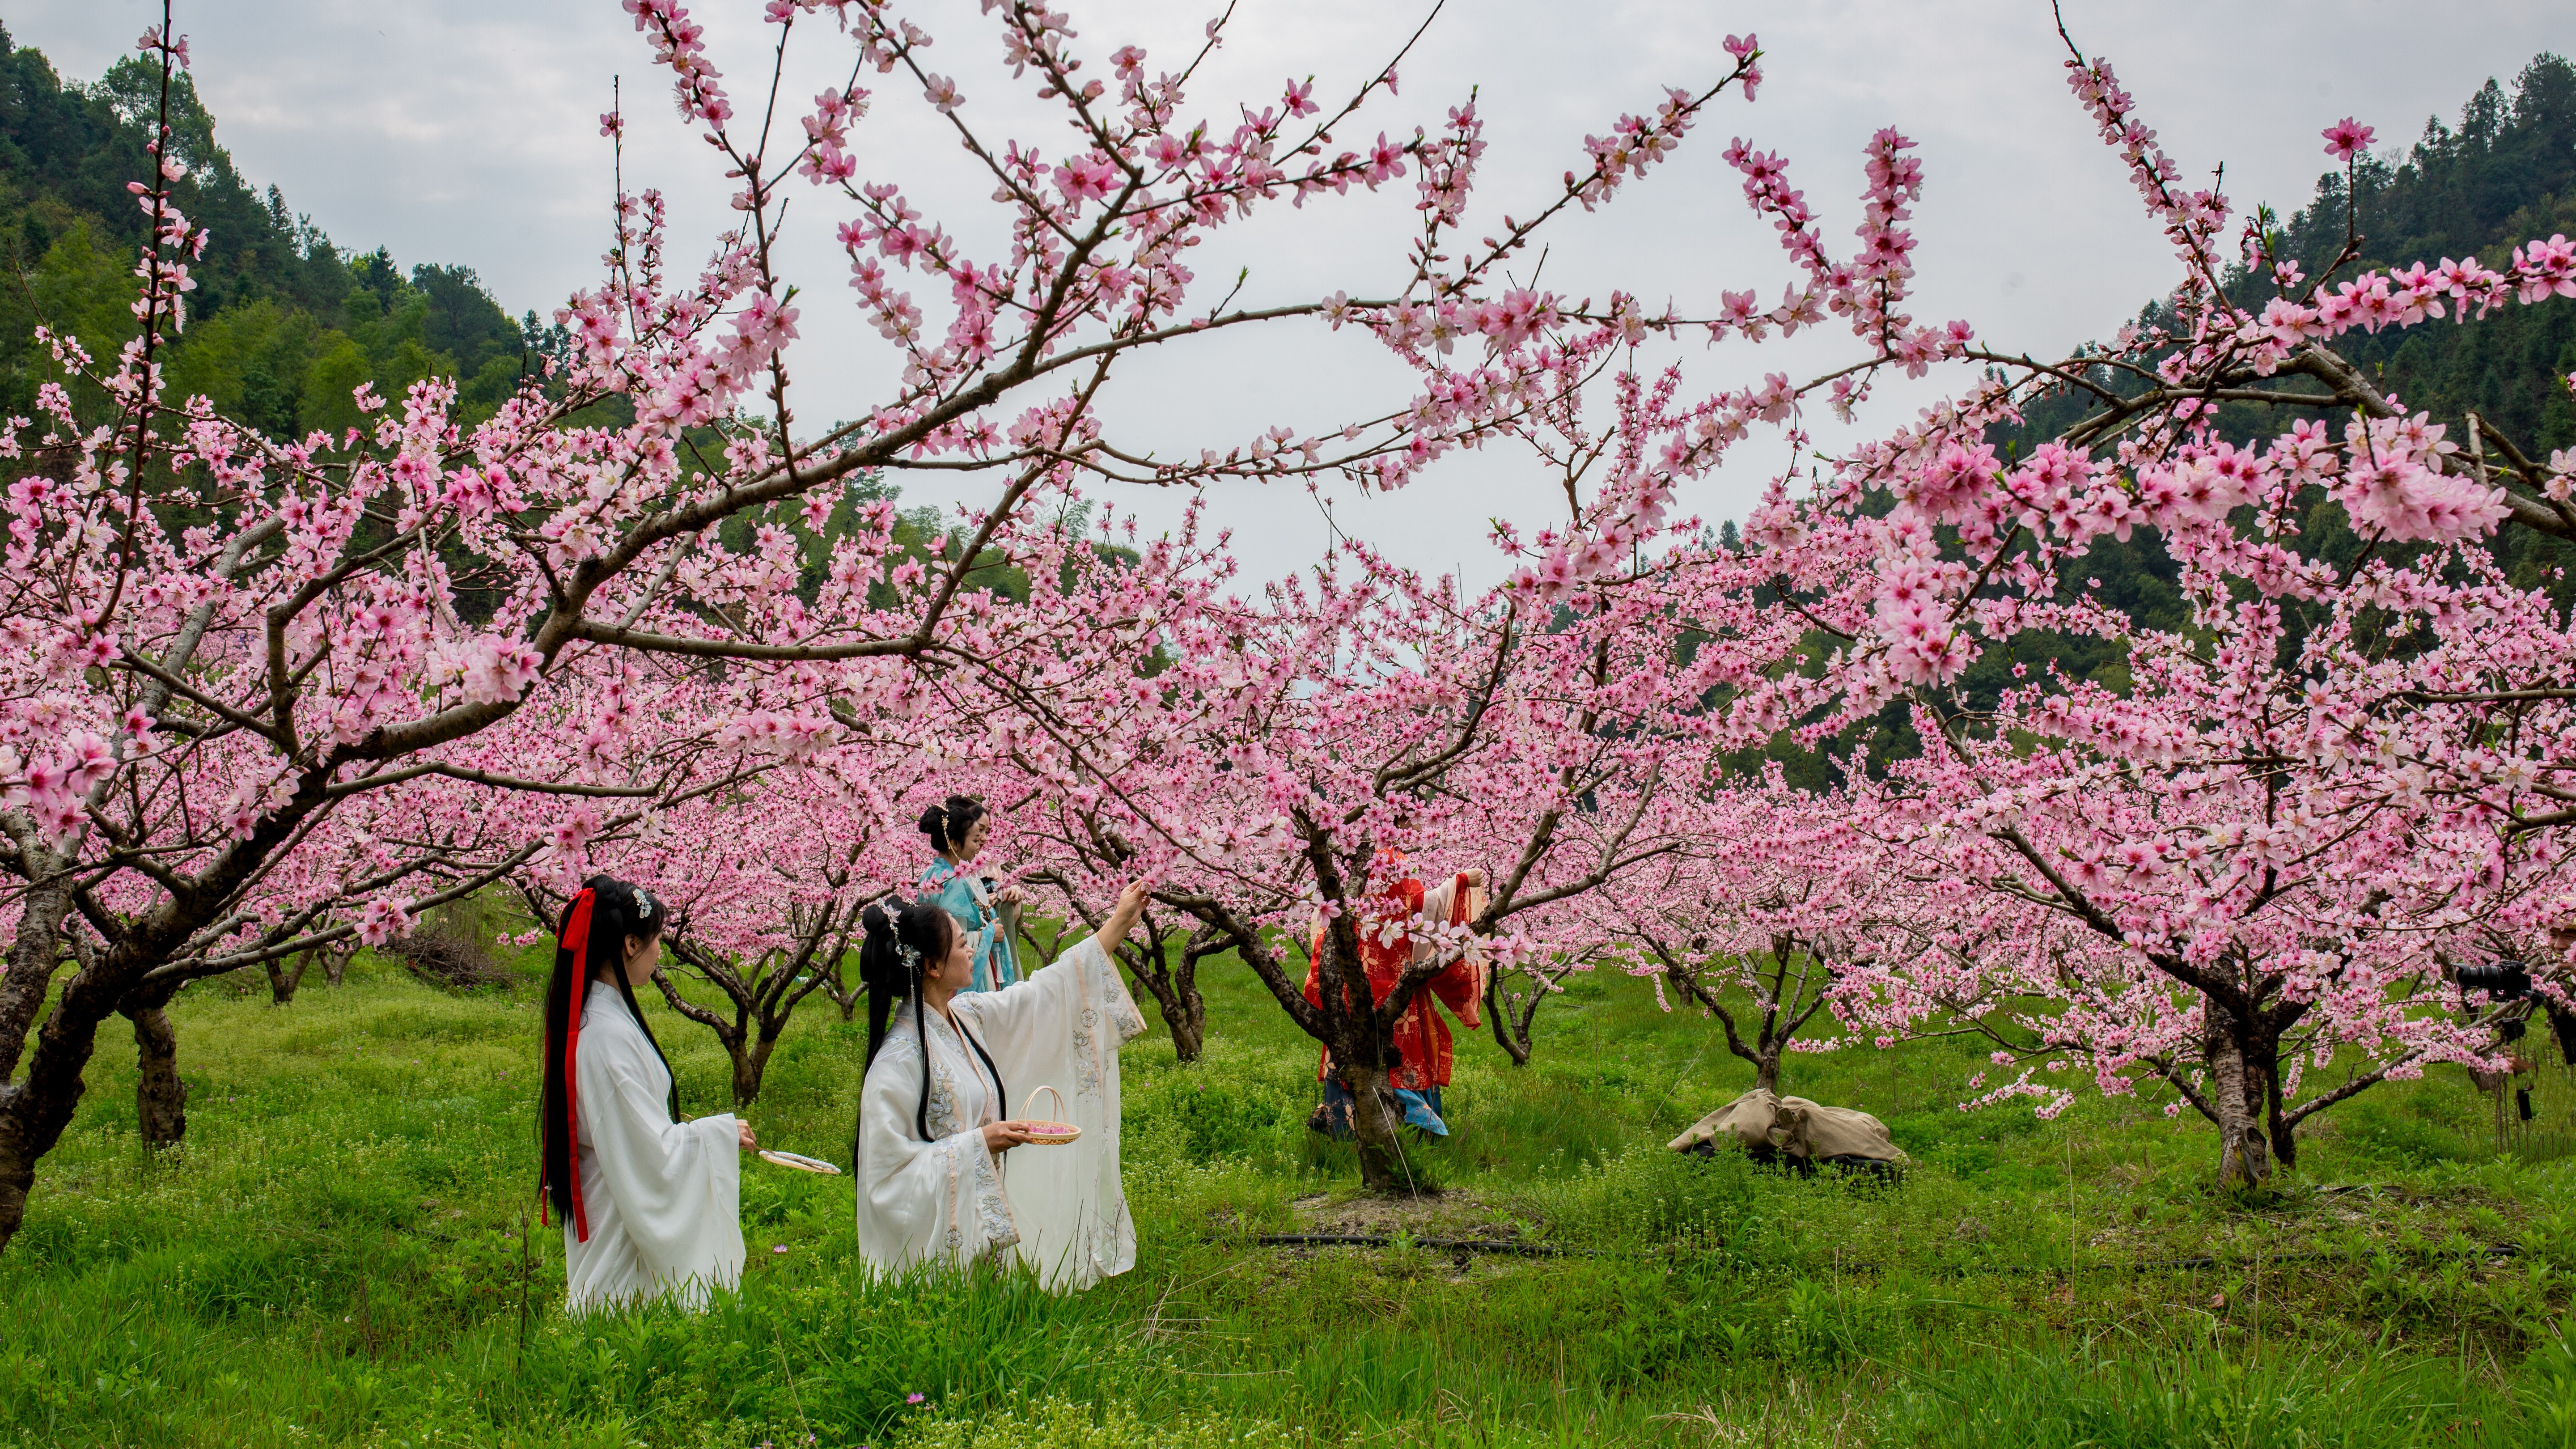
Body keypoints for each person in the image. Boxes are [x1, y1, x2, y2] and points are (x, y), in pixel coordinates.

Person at [852, 879, 1149, 1291]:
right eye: (960, 943)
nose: (972, 948)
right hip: (933, 1268)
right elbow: (885, 1184)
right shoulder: (896, 1063)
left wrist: (1119, 921)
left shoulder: (966, 1015)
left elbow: (1043, 995)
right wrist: (978, 1144)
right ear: (933, 967)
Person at [538, 875, 757, 1313]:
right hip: (620, 1227)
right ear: (631, 945)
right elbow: (648, 1156)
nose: (661, 950)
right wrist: (714, 1135)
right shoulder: (605, 1037)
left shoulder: (596, 1020)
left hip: (613, 1206)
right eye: (656, 938)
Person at [1304, 861, 1487, 1139]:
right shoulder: (1389, 857)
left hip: (1353, 978)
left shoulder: (1350, 858)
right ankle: (1412, 1130)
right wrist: (1458, 883)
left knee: (1352, 1049)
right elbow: (1419, 906)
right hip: (1392, 979)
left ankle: (1344, 1128)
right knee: (1397, 1053)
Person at [917, 795, 1024, 992]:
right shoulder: (954, 883)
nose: (979, 847)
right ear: (956, 845)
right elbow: (959, 940)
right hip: (962, 976)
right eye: (975, 839)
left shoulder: (931, 875)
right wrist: (990, 932)